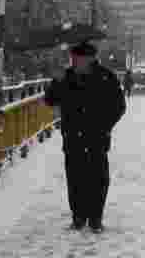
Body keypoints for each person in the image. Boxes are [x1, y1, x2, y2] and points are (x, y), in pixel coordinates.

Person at [44, 39, 127, 233]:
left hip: (97, 137)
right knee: (75, 179)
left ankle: (95, 218)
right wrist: (56, 81)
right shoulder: (66, 77)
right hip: (72, 137)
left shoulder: (106, 77)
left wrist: (104, 126)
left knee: (98, 179)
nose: (74, 62)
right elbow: (49, 100)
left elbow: (119, 106)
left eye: (77, 59)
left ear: (89, 59)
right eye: (73, 59)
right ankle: (78, 218)